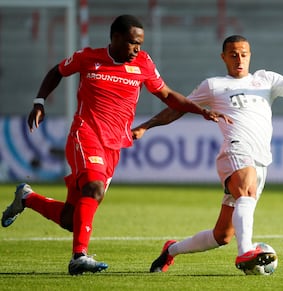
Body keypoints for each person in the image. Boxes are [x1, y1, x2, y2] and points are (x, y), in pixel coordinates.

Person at [1, 14, 230, 276]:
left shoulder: (143, 63)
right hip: (85, 135)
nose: (137, 49)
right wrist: (39, 101)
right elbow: (57, 71)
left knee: (71, 220)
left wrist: (200, 110)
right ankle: (79, 257)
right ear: (116, 38)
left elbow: (166, 94)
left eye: (140, 44)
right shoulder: (88, 57)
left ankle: (27, 198)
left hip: (114, 145)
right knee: (94, 187)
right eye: (133, 43)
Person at [131, 35, 283, 274]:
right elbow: (178, 108)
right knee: (246, 191)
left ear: (250, 55)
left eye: (244, 54)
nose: (239, 59)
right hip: (235, 149)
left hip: (261, 158)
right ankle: (245, 252)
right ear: (224, 57)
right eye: (233, 54)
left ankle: (171, 250)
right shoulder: (214, 85)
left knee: (222, 235)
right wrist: (146, 125)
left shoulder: (265, 79)